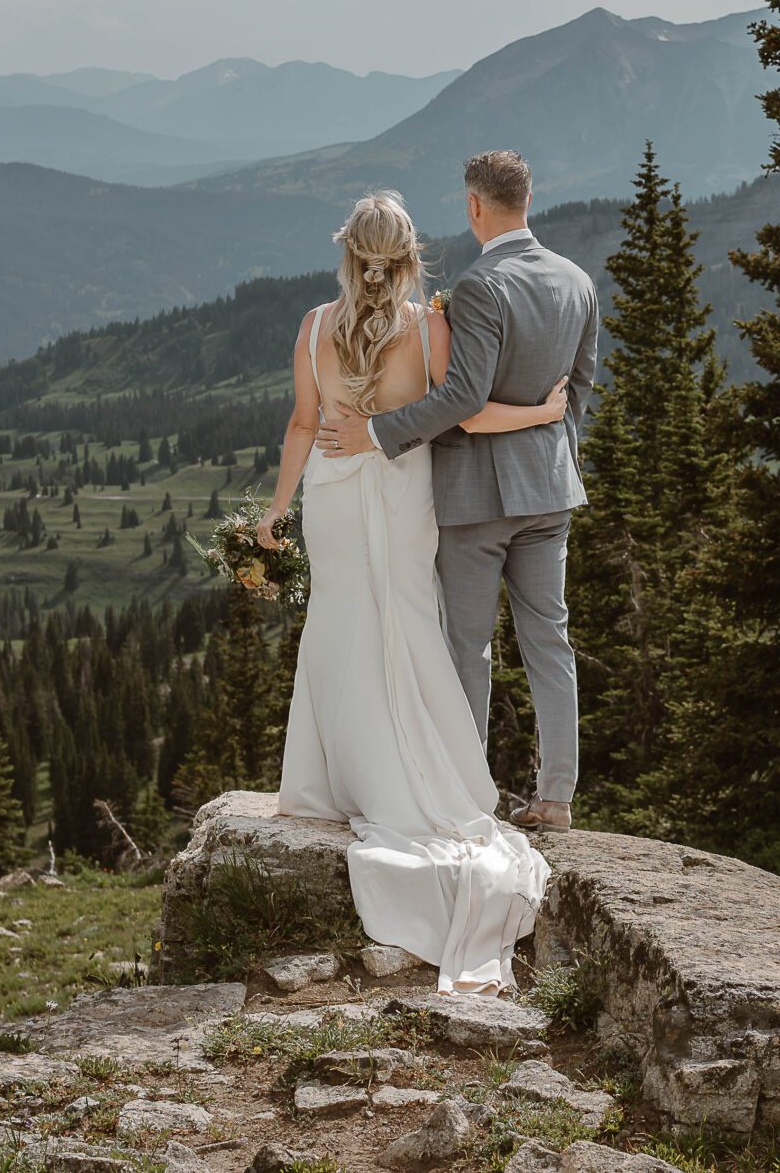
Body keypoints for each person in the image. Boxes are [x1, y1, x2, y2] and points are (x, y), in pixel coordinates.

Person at [261, 188, 567, 993]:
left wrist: (273, 512)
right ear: (407, 256)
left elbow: (301, 424)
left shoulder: (313, 327)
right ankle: (416, 774)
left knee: (339, 621)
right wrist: (541, 410)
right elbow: (460, 413)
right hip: (401, 494)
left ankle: (333, 781)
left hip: (328, 491)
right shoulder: (424, 326)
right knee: (406, 620)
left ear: (347, 250)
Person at [316, 150, 598, 835]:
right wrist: (555, 457)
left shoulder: (478, 287)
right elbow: (581, 389)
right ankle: (556, 795)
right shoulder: (577, 280)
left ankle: (471, 792)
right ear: (527, 199)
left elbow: (464, 398)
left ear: (476, 206)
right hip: (550, 492)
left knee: (467, 647)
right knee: (549, 641)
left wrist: (378, 433)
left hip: (477, 497)